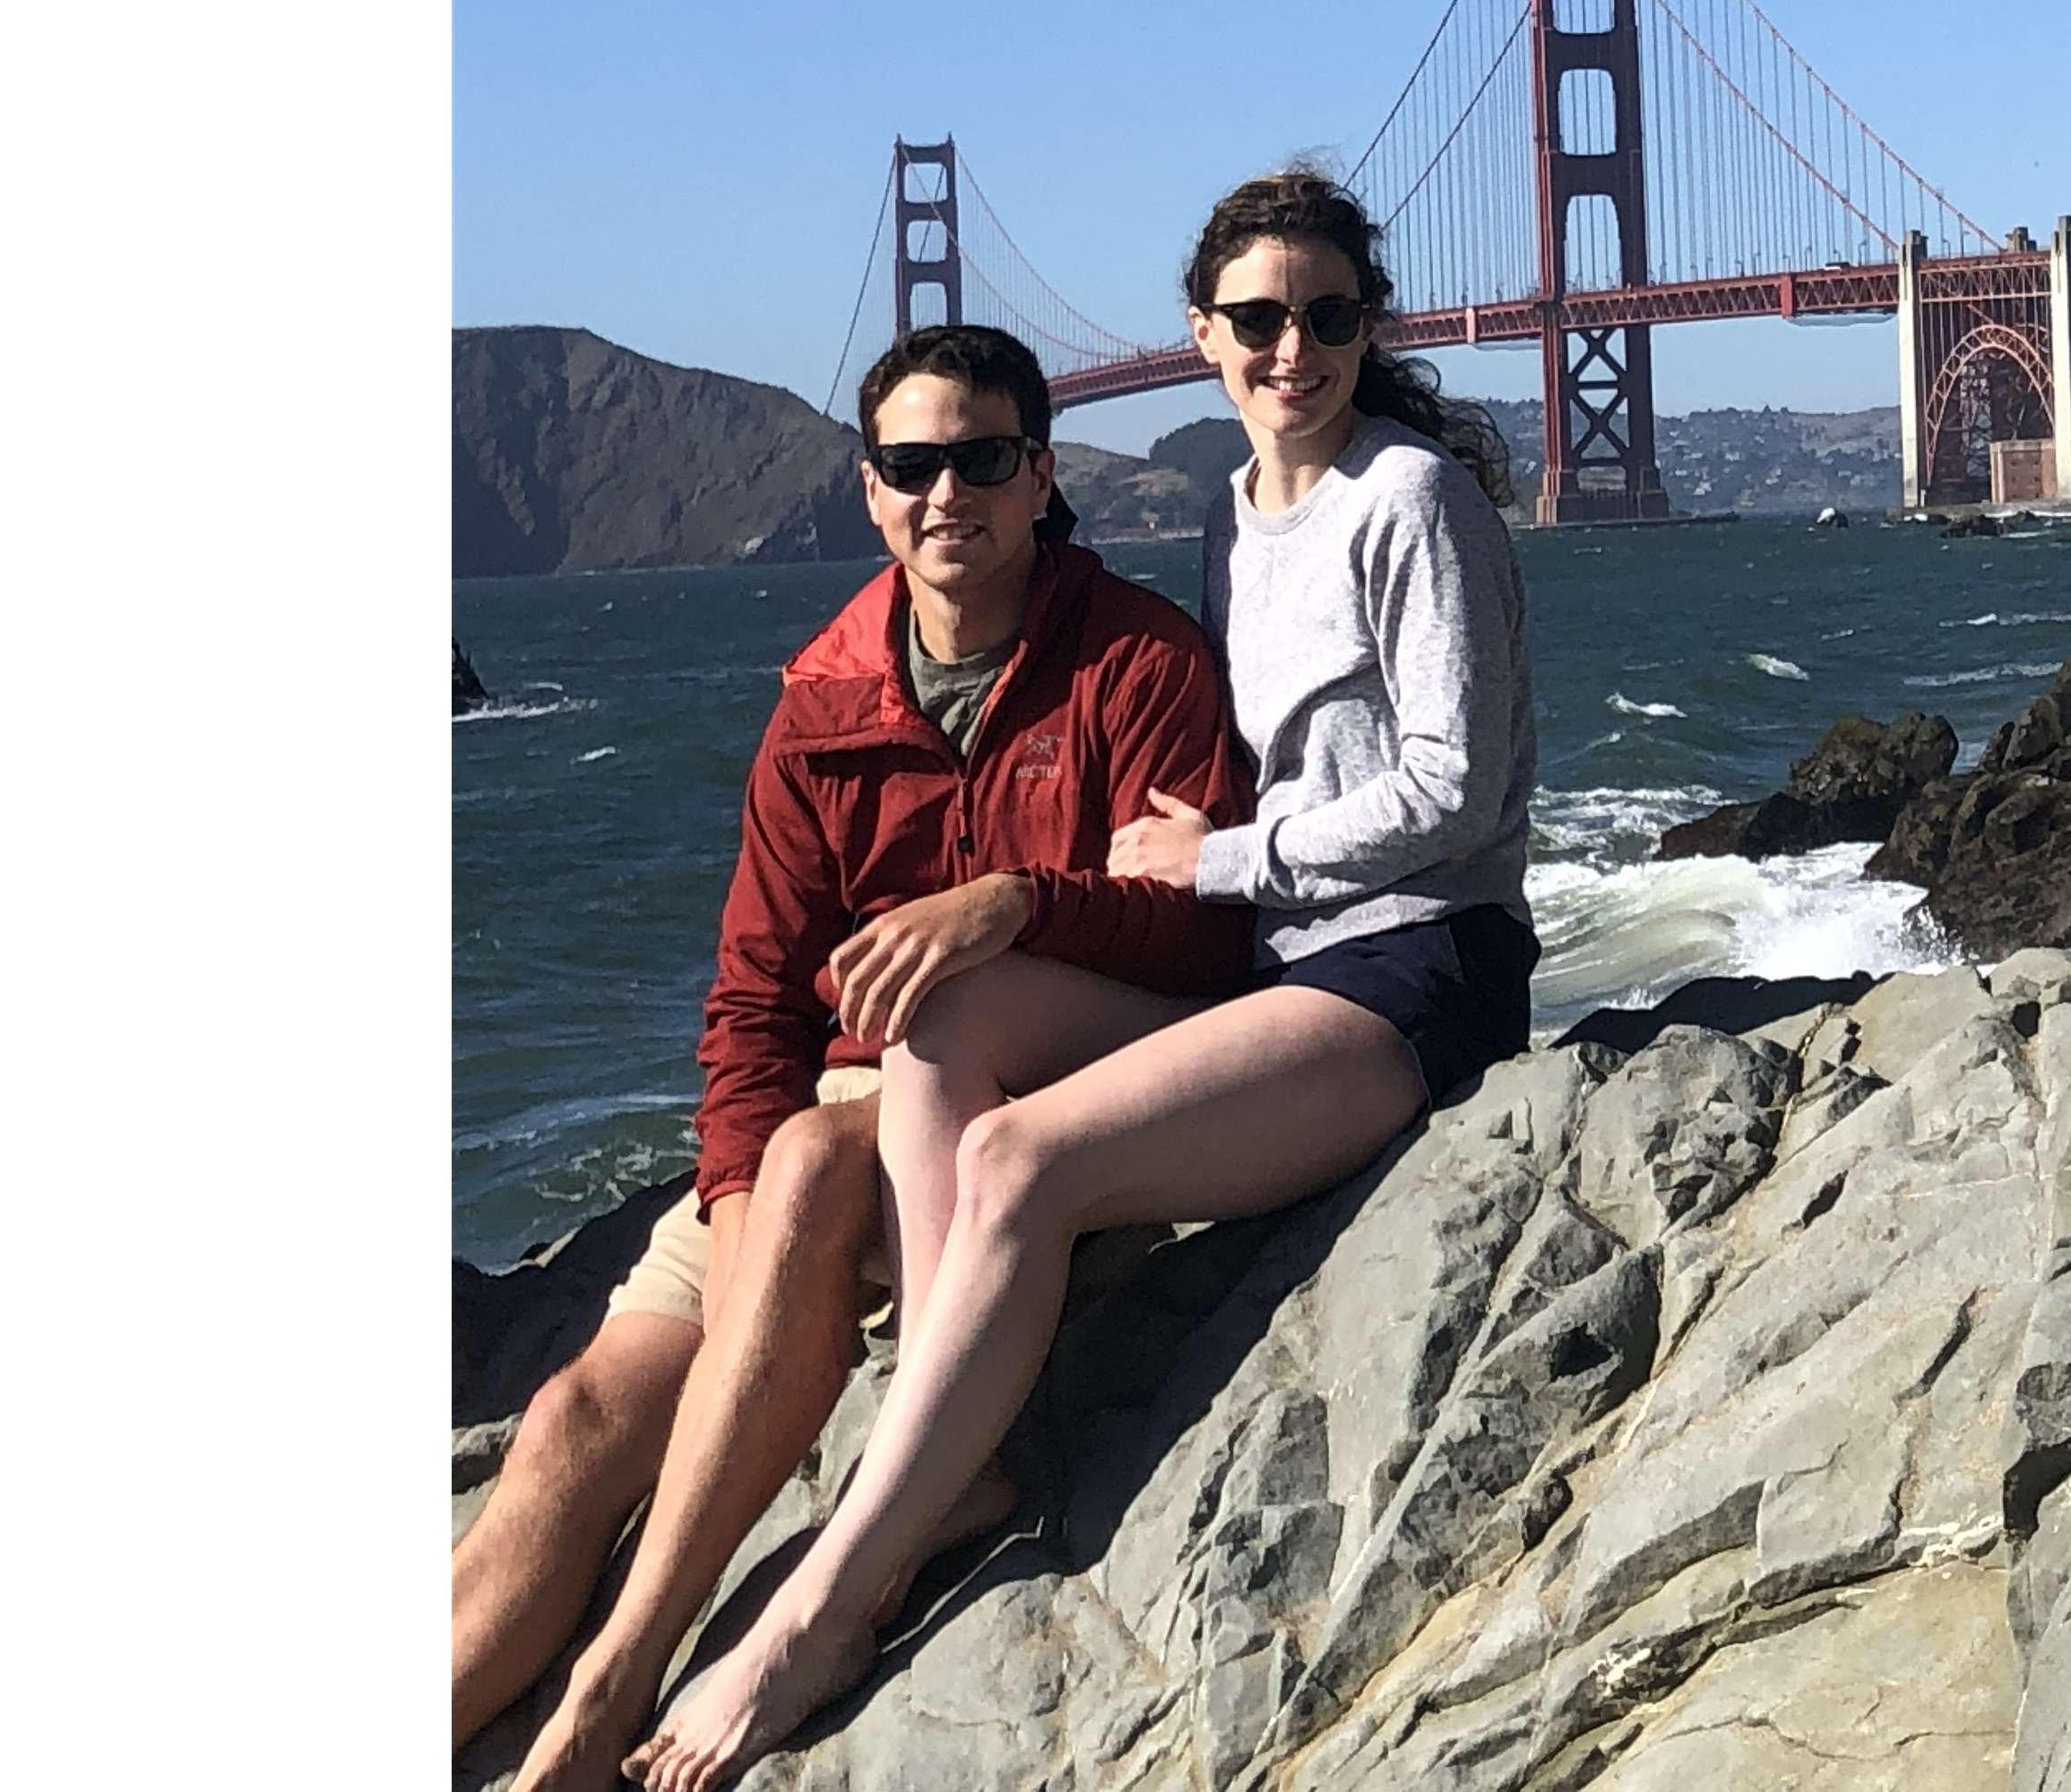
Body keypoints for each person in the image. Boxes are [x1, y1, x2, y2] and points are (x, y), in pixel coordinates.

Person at [626, 172, 1534, 1792]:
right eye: (1255, 319)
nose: (1291, 348)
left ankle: (824, 1609)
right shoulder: (1235, 514)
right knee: (936, 1029)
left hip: (1411, 970)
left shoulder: (1410, 499)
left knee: (1017, 1157)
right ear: (1203, 336)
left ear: (1365, 327)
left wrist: (1229, 861)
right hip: (1272, 971)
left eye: (1327, 315)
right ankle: (948, 1446)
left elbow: (1460, 795)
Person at [455, 323, 1256, 1792]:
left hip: (1022, 1109)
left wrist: (1011, 911)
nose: (948, 492)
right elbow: (754, 1005)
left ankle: (621, 1674)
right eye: (912, 464)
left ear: (1039, 478)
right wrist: (736, 1195)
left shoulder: (1140, 664)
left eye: (985, 458)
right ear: (871, 492)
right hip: (823, 1123)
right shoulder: (819, 704)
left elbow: (1208, 949)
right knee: (575, 1415)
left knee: (823, 1157)